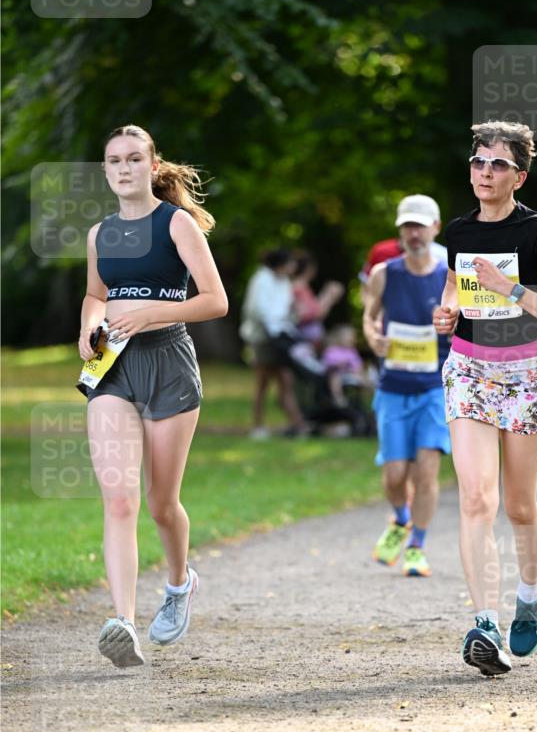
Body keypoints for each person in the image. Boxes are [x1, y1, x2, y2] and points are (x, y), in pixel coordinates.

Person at [433, 121, 537, 677]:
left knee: (519, 505)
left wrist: (512, 289)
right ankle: (485, 623)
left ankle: (531, 590)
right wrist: (446, 312)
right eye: (478, 162)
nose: (485, 172)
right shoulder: (458, 231)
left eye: (497, 164)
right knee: (476, 499)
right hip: (469, 368)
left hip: (526, 371)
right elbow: (454, 288)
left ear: (519, 175)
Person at [78, 123, 228, 668]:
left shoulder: (177, 224)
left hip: (168, 360)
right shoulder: (100, 234)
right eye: (115, 160)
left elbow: (215, 301)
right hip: (111, 366)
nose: (124, 168)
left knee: (161, 504)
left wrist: (150, 313)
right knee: (118, 499)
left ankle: (179, 582)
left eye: (134, 159)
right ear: (106, 170)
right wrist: (87, 326)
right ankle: (122, 621)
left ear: (153, 166)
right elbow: (96, 294)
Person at [364, 194, 451, 578]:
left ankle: (417, 547)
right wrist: (373, 338)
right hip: (393, 388)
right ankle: (401, 519)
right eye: (406, 226)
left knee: (427, 471)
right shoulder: (385, 273)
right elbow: (369, 319)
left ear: (435, 227)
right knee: (395, 475)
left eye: (420, 225)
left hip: (435, 387)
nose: (413, 233)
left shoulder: (451, 274)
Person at [239, 249, 308, 439]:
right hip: (262, 338)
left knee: (284, 379)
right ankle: (258, 425)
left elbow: (284, 308)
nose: (293, 267)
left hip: (280, 337)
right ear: (280, 264)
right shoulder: (261, 279)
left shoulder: (284, 282)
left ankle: (296, 423)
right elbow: (258, 309)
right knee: (263, 381)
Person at [291, 252, 344, 345]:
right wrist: (329, 295)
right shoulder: (298, 287)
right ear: (309, 268)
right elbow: (313, 314)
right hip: (304, 339)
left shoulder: (302, 287)